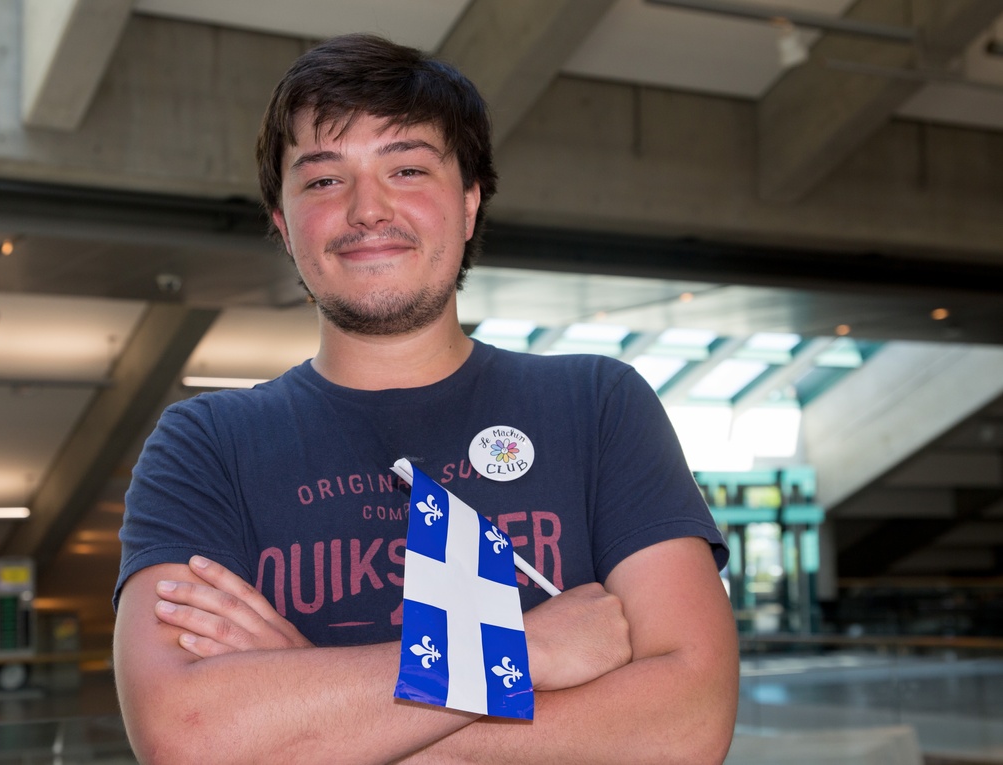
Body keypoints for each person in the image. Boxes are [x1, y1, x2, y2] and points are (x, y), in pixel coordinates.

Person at [113, 33, 739, 763]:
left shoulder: (598, 405)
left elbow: (688, 721)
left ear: (469, 205)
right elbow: (185, 734)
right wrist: (525, 651)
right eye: (322, 180)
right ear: (283, 226)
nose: (366, 209)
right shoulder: (205, 444)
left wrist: (317, 719)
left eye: (406, 168)